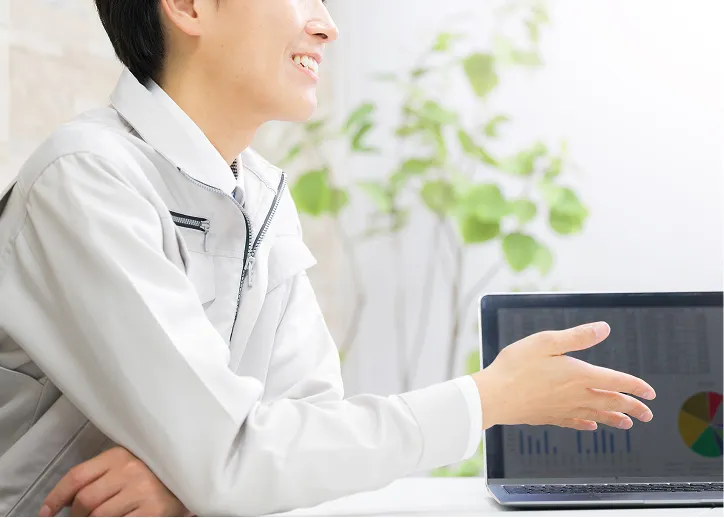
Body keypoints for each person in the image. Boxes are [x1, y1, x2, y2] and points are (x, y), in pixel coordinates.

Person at [0, 0, 657, 516]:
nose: (327, 25)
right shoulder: (87, 179)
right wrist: (485, 399)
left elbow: (305, 437)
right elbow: (241, 456)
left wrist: (193, 480)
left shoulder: (261, 195)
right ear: (189, 6)